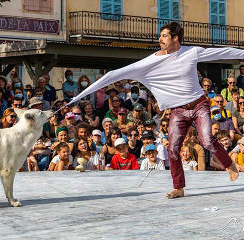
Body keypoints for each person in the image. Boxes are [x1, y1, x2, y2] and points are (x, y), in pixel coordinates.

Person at [68, 21, 241, 198]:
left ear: (175, 38)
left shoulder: (191, 52)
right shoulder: (153, 60)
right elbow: (114, 74)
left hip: (198, 104)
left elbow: (223, 51)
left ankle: (229, 165)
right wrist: (75, 99)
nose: (160, 39)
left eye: (164, 35)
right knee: (173, 149)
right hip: (178, 110)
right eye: (160, 36)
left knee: (207, 140)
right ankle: (179, 187)